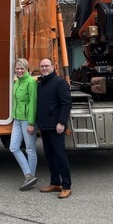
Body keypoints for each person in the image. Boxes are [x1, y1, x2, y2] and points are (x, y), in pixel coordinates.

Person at [37, 58, 73, 199]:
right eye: (42, 66)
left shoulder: (60, 82)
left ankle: (67, 186)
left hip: (56, 126)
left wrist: (62, 122)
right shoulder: (41, 83)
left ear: (53, 66)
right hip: (45, 126)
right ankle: (55, 183)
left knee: (60, 156)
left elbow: (66, 104)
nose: (44, 68)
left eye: (47, 66)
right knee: (50, 156)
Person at [9, 58, 38, 191]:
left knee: (30, 149)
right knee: (14, 147)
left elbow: (33, 103)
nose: (19, 70)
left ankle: (30, 177)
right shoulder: (17, 81)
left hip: (27, 120)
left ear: (27, 69)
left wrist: (31, 123)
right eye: (17, 68)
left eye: (22, 68)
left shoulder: (31, 82)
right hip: (17, 119)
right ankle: (29, 175)